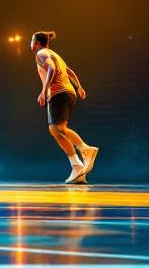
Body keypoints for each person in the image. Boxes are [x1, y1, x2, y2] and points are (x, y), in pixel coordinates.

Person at [30, 31, 98, 184]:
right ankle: (77, 166)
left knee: (58, 128)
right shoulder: (54, 54)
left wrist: (44, 90)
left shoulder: (41, 53)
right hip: (68, 92)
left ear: (37, 43)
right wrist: (79, 87)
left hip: (58, 92)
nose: (30, 43)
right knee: (55, 130)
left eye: (31, 40)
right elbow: (69, 72)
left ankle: (85, 150)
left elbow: (51, 69)